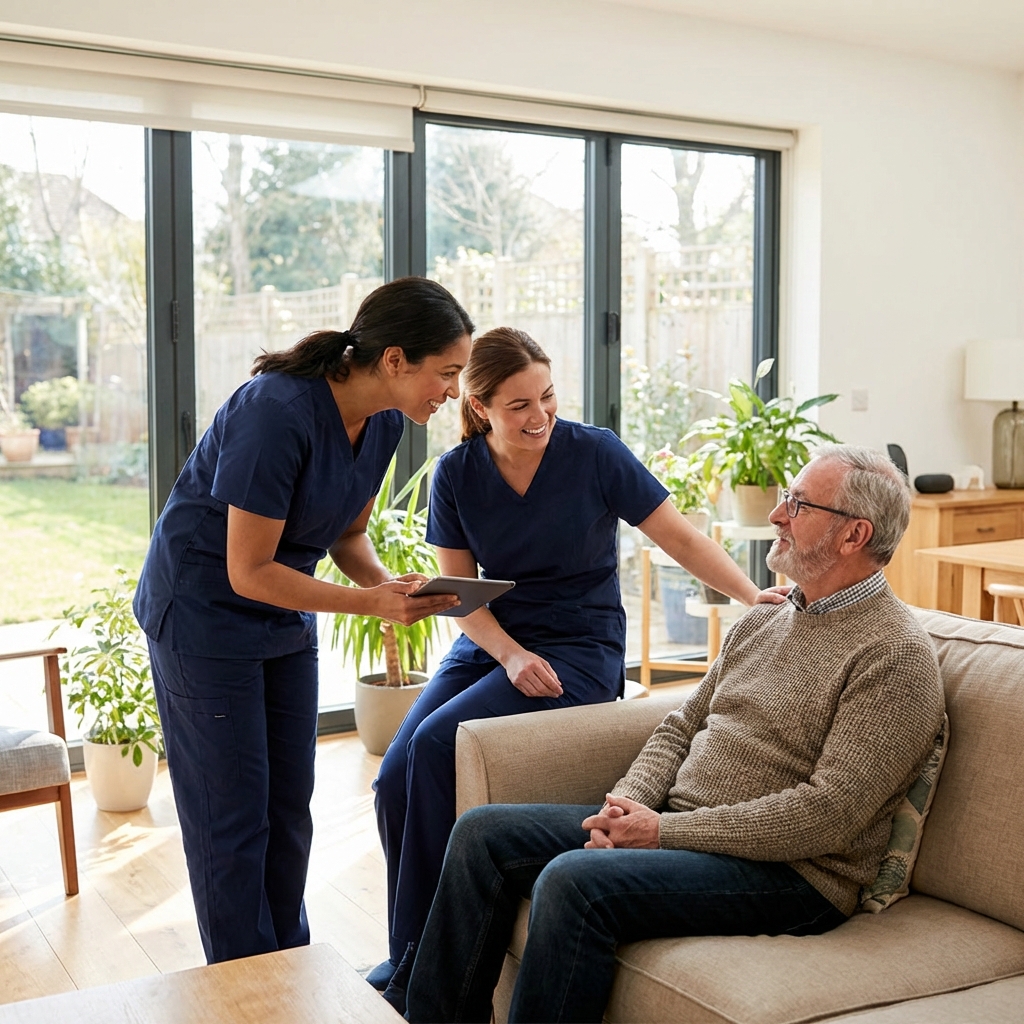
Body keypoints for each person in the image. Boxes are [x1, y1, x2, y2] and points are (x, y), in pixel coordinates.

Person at [405, 444, 946, 1024]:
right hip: (687, 828)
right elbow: (682, 726)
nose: (776, 516)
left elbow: (829, 814)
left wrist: (663, 831)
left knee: (573, 882)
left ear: (853, 535)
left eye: (798, 503)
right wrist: (630, 802)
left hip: (796, 875)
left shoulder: (894, 655)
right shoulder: (767, 618)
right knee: (481, 833)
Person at [370, 327, 788, 1010]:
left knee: (438, 746)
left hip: (580, 646)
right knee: (394, 775)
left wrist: (751, 596)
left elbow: (677, 534)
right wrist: (508, 652)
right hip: (493, 642)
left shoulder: (594, 454)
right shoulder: (457, 474)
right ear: (478, 408)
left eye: (547, 397)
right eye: (517, 406)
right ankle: (407, 954)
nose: (538, 417)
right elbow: (458, 595)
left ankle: (422, 981)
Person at [132, 277, 474, 964]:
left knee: (287, 810)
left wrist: (391, 587)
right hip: (203, 616)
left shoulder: (380, 425)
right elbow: (247, 570)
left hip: (282, 617)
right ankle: (243, 987)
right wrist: (371, 604)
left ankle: (286, 967)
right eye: (447, 374)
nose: (452, 393)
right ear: (396, 360)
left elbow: (347, 535)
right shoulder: (275, 411)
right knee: (231, 819)